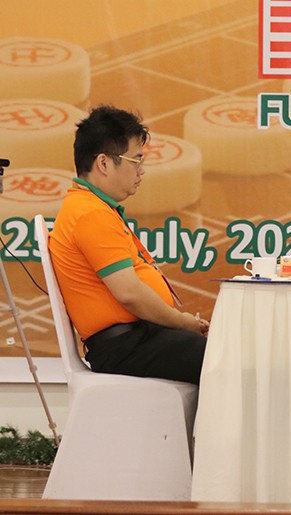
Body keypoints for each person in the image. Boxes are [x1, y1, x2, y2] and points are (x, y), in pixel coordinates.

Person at [49, 105, 208, 385]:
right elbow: (130, 294)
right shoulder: (90, 213)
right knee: (223, 359)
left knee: (223, 354)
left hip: (136, 337)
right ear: (104, 163)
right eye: (136, 160)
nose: (141, 171)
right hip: (124, 346)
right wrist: (183, 321)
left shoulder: (93, 207)